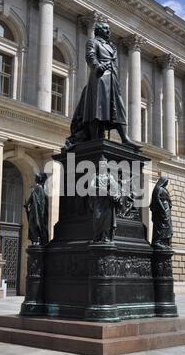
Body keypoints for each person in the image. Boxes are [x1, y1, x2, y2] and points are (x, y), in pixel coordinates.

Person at [64, 22, 137, 150]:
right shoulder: (93, 42)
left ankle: (125, 138)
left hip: (112, 78)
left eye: (109, 30)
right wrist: (97, 66)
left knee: (118, 108)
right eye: (106, 29)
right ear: (99, 30)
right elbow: (90, 56)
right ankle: (94, 137)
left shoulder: (111, 46)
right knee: (97, 109)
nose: (109, 32)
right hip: (100, 77)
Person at [90, 156, 121, 243]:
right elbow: (91, 186)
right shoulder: (95, 175)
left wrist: (115, 193)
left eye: (104, 165)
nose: (102, 166)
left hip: (107, 200)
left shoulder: (109, 176)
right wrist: (99, 188)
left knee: (107, 220)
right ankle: (97, 236)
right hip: (99, 200)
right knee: (97, 217)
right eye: (101, 165)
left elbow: (115, 186)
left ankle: (105, 236)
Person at [24, 173, 49, 245]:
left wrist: (27, 204)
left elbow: (34, 197)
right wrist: (27, 204)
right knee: (33, 224)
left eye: (36, 177)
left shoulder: (39, 188)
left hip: (36, 211)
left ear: (40, 178)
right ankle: (36, 239)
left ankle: (37, 239)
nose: (35, 179)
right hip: (36, 210)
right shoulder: (40, 188)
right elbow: (33, 197)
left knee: (34, 224)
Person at [149, 177, 173, 249]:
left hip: (166, 210)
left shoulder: (164, 189)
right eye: (166, 182)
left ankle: (164, 242)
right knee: (161, 226)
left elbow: (168, 199)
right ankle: (157, 241)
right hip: (161, 211)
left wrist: (169, 204)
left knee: (168, 227)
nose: (166, 183)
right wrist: (162, 208)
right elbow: (157, 199)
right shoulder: (158, 188)